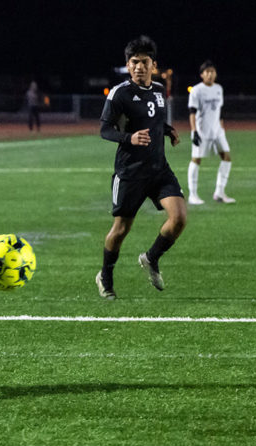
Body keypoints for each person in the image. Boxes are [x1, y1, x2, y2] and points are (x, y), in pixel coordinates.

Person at [96, 35, 186, 300]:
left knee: (179, 218)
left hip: (159, 169)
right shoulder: (119, 94)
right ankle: (105, 276)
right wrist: (129, 138)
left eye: (144, 62)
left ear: (153, 64)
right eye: (133, 62)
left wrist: (167, 130)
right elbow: (104, 129)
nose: (138, 67)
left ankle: (151, 258)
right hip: (130, 172)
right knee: (121, 230)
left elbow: (154, 119)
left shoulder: (159, 90)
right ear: (128, 64)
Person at [187, 61, 235, 204]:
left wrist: (222, 128)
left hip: (217, 131)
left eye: (212, 71)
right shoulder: (196, 90)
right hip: (202, 131)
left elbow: (219, 111)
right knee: (196, 159)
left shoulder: (219, 88)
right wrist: (194, 131)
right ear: (202, 75)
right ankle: (193, 195)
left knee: (226, 157)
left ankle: (219, 193)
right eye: (207, 72)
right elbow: (192, 113)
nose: (210, 74)